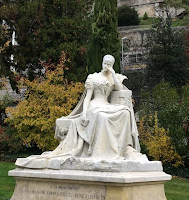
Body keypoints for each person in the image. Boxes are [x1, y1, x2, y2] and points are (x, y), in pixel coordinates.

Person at [17, 55, 146, 169]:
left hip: (106, 105)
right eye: (105, 63)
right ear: (102, 63)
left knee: (125, 112)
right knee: (103, 118)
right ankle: (103, 151)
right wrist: (84, 113)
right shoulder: (93, 77)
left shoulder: (114, 78)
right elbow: (87, 98)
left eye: (109, 64)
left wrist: (112, 72)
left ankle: (123, 149)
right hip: (94, 106)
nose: (106, 66)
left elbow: (118, 88)